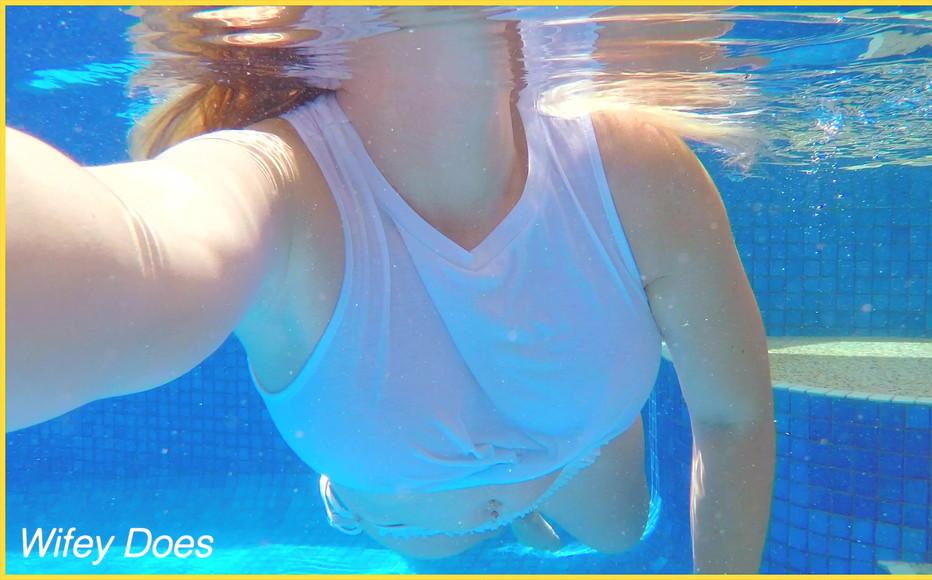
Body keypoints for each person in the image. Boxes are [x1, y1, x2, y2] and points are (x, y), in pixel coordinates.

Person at [6, 6, 774, 571]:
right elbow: (138, 245)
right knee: (435, 547)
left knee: (618, 531)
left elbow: (732, 417)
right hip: (404, 509)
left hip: (563, 456)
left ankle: (526, 473)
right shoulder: (273, 186)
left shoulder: (635, 169)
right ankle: (356, 492)